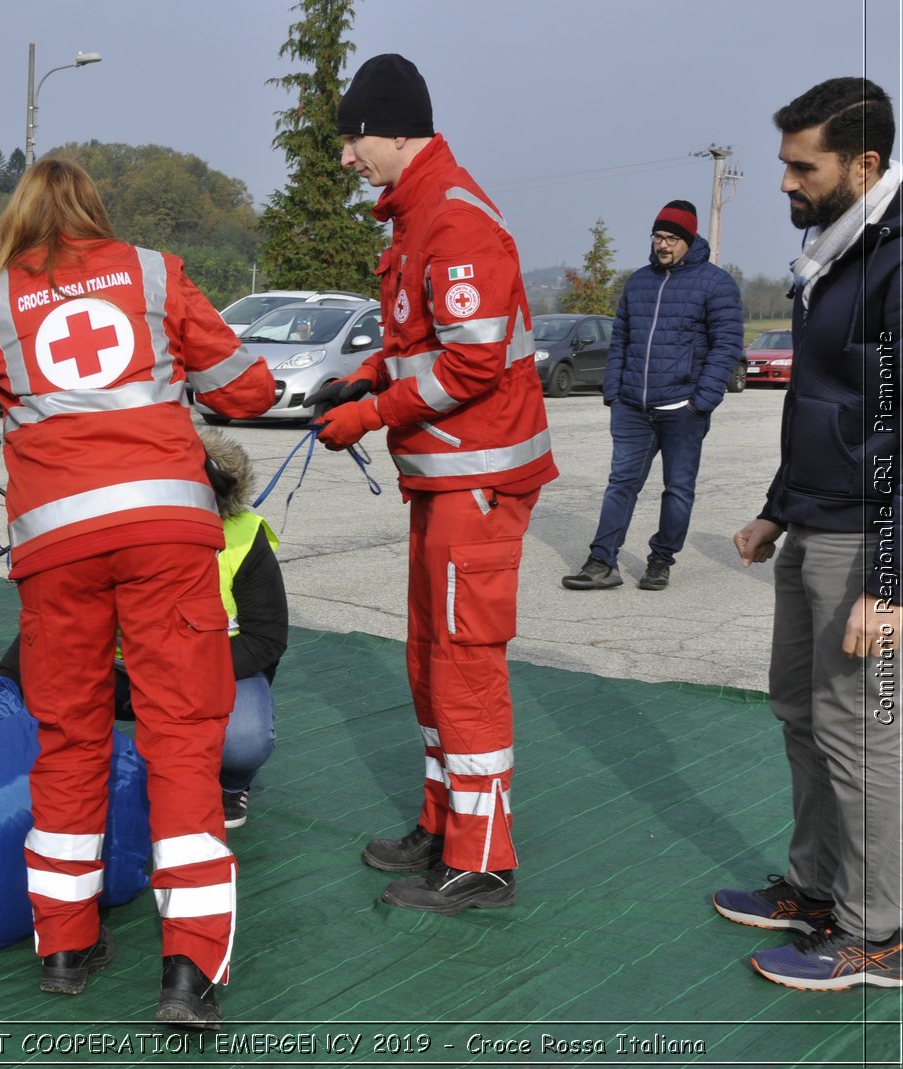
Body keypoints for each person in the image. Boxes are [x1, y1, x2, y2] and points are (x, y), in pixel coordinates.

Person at [0, 157, 275, 1029]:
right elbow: (248, 390)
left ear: (20, 219)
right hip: (167, 534)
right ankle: (188, 970)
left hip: (57, 552)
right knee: (183, 741)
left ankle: (65, 945)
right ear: (96, 212)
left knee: (68, 736)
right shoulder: (153, 272)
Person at [310, 54, 556, 914]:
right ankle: (444, 822)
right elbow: (425, 339)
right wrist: (365, 377)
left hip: (478, 481)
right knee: (428, 659)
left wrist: (372, 413)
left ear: (392, 130)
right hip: (447, 479)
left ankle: (483, 859)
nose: (345, 158)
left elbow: (474, 361)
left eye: (352, 140)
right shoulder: (418, 217)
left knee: (464, 666)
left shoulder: (452, 220)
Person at [716, 77, 901, 992]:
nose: (784, 183)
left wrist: (892, 580)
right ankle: (817, 890)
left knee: (862, 734)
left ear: (864, 165)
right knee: (802, 716)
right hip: (813, 522)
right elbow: (827, 403)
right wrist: (775, 507)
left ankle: (882, 934)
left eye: (803, 166)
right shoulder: (833, 251)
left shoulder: (898, 260)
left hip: (868, 542)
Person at [0, 429, 288, 829]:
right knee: (29, 704)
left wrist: (178, 669)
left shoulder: (243, 536)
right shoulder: (113, 529)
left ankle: (231, 784)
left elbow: (266, 639)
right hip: (116, 666)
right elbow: (61, 611)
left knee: (244, 740)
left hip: (212, 667)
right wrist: (13, 680)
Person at [562, 200, 743, 593]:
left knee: (678, 489)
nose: (663, 245)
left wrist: (702, 399)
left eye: (672, 238)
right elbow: (622, 338)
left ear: (689, 240)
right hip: (632, 406)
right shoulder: (639, 281)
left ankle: (660, 560)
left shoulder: (716, 283)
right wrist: (613, 391)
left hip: (683, 409)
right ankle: (601, 562)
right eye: (658, 237)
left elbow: (726, 345)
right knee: (620, 484)